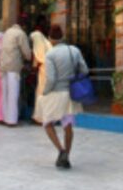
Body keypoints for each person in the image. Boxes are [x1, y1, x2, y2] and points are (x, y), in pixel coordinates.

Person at [38, 24, 89, 168]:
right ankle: (67, 155)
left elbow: (51, 78)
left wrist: (45, 92)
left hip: (56, 94)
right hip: (71, 94)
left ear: (50, 39)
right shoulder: (74, 50)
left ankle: (61, 151)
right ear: (62, 36)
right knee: (68, 126)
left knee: (47, 123)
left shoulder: (50, 54)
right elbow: (84, 70)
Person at [0, 14, 32, 126]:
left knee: (5, 93)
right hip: (13, 67)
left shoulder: (7, 32)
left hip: (3, 66)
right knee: (13, 94)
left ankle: (4, 117)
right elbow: (26, 52)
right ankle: (12, 120)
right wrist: (29, 58)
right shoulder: (21, 34)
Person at [30, 15, 52, 124]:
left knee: (41, 94)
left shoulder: (37, 37)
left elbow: (39, 56)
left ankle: (41, 118)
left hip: (44, 70)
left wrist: (33, 69)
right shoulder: (43, 39)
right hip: (47, 69)